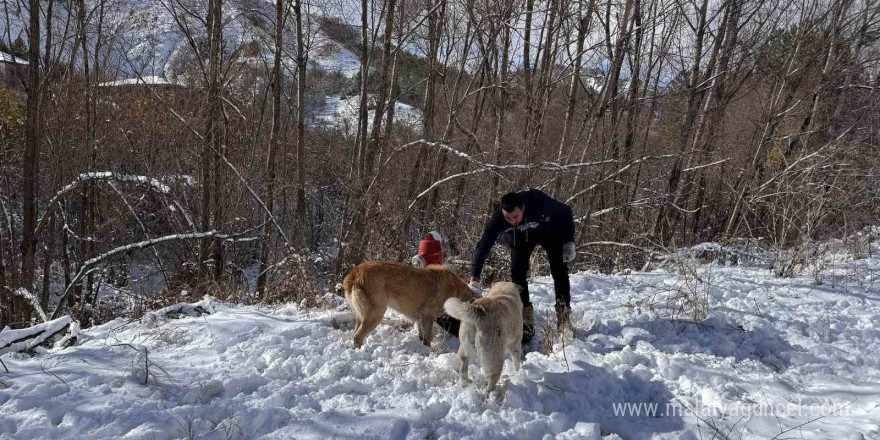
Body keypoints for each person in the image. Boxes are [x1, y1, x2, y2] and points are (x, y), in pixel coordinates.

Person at [470, 189, 576, 342]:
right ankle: (525, 317)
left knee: (559, 269)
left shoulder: (537, 200)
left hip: (548, 231)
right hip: (519, 238)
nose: (512, 221)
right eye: (508, 218)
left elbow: (566, 211)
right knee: (517, 273)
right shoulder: (499, 216)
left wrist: (569, 242)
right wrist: (474, 279)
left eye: (515, 216)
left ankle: (563, 314)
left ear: (524, 208)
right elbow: (483, 245)